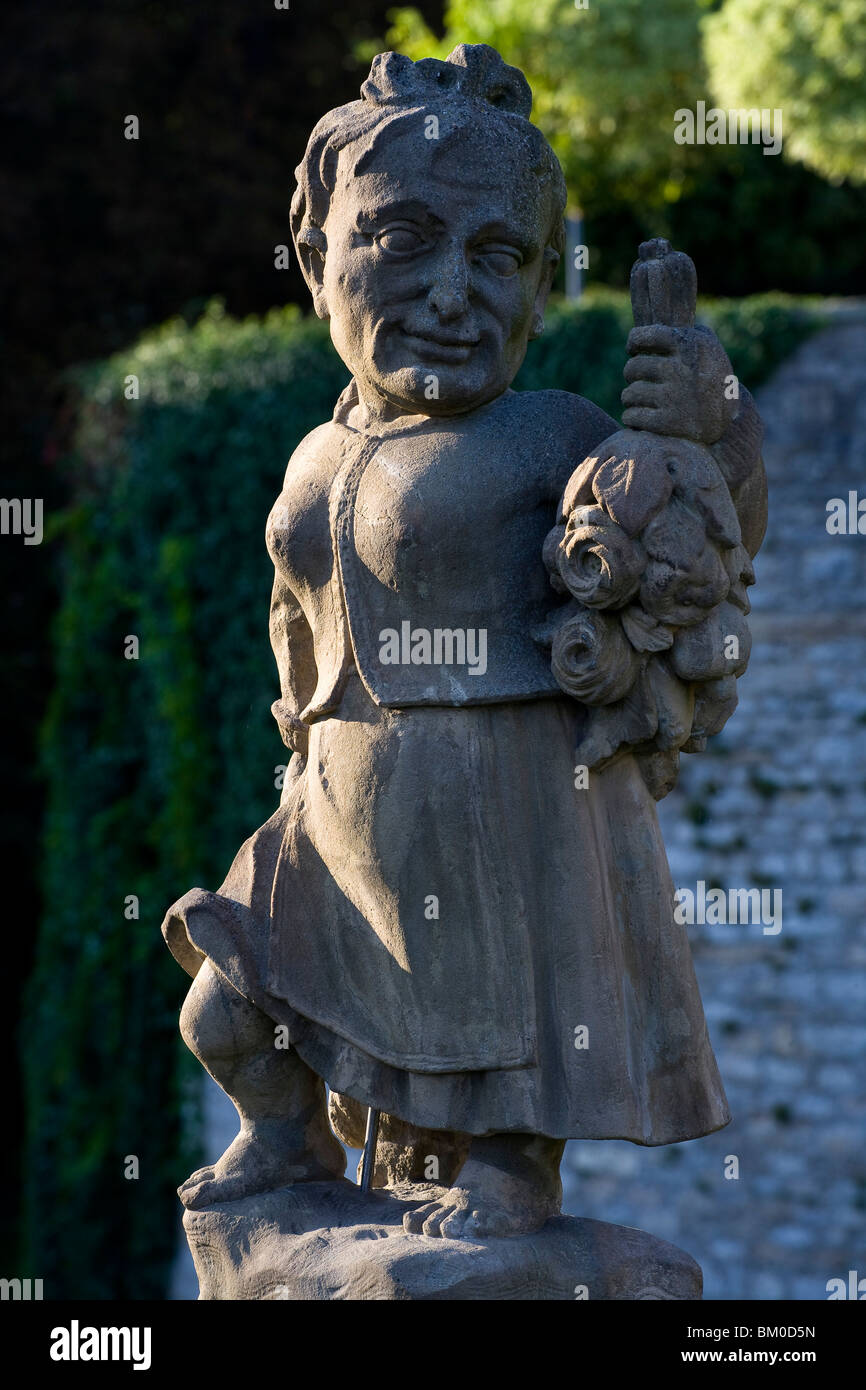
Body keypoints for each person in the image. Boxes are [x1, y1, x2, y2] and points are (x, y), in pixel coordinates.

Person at [162, 43, 766, 1240]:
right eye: (402, 238)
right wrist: (295, 721)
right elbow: (296, 603)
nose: (452, 292)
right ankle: (280, 1142)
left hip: (494, 798)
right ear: (314, 257)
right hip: (331, 788)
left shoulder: (553, 438)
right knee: (225, 1009)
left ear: (542, 287)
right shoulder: (315, 451)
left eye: (497, 258)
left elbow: (696, 533)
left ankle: (509, 1172)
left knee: (493, 1025)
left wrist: (708, 422)